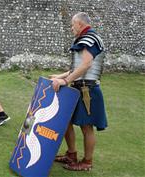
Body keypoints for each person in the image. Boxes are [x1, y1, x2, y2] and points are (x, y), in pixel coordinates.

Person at [50, 12, 107, 171]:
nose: (71, 28)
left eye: (72, 24)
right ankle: (71, 154)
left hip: (87, 90)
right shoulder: (85, 38)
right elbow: (77, 68)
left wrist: (65, 81)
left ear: (80, 24)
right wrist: (60, 76)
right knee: (66, 121)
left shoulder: (89, 39)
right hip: (78, 88)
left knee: (86, 127)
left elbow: (86, 65)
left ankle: (87, 162)